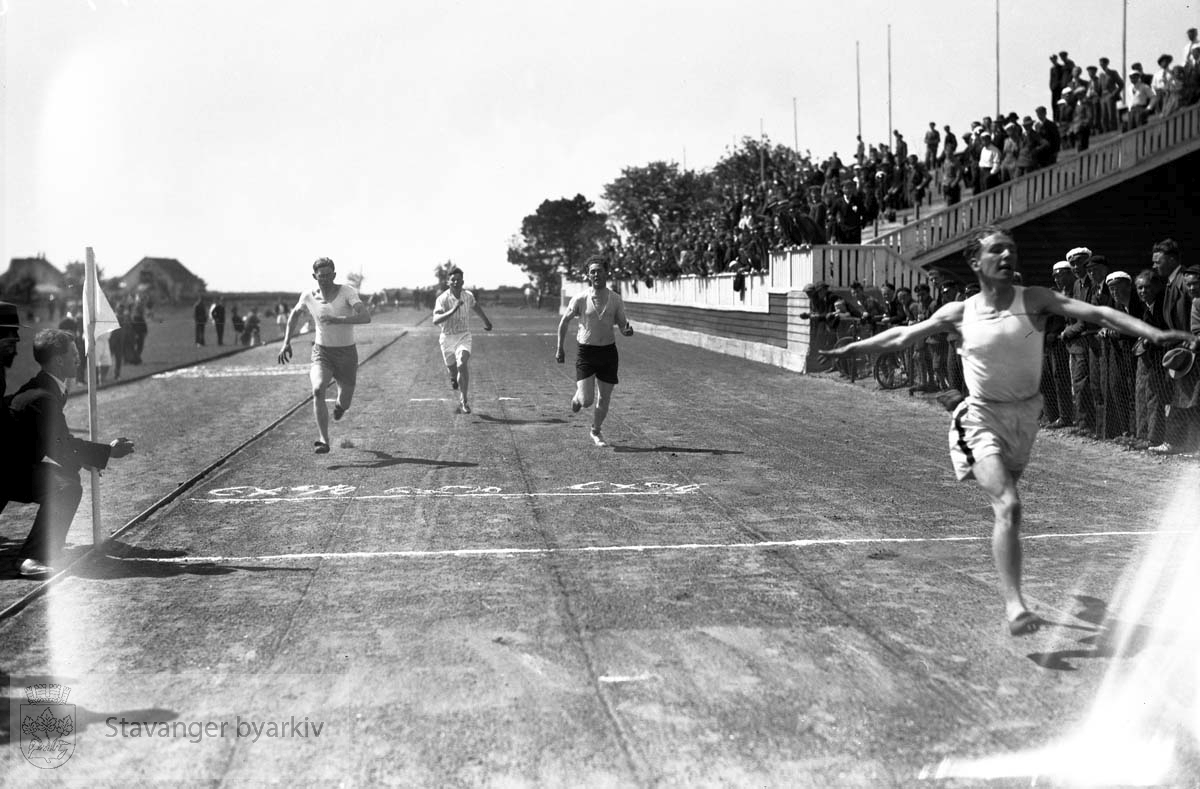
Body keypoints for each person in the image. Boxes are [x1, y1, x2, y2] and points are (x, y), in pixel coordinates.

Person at [819, 226, 1195, 636]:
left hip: (1025, 418)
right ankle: (1015, 606)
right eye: (996, 251)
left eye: (1010, 250)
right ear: (975, 263)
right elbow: (904, 335)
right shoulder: (960, 313)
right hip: (979, 418)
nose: (1005, 257)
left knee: (1007, 513)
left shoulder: (1034, 299)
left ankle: (1021, 599)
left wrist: (1154, 332)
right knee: (1009, 504)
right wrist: (855, 348)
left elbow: (1098, 314)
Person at [5, 329, 135, 578]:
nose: (79, 359)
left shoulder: (47, 387)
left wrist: (84, 460)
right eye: (74, 354)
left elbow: (53, 442)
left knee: (65, 477)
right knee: (67, 486)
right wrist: (108, 451)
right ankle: (33, 557)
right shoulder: (43, 395)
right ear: (58, 360)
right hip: (7, 469)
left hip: (12, 463)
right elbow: (62, 446)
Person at [277, 257, 371, 454]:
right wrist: (286, 342)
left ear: (334, 275)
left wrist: (337, 319)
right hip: (322, 352)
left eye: (329, 275)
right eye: (321, 277)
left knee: (345, 400)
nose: (326, 280)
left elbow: (365, 317)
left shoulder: (347, 292)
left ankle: (340, 406)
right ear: (315, 277)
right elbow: (294, 315)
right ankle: (323, 440)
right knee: (318, 390)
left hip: (346, 354)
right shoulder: (308, 296)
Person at [555, 257, 634, 447]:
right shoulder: (581, 298)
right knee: (587, 400)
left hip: (608, 352)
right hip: (586, 353)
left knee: (604, 398)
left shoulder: (615, 299)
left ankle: (596, 430)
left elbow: (623, 324)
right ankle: (578, 396)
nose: (596, 274)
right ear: (588, 275)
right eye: (592, 271)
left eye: (599, 270)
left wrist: (627, 331)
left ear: (606, 273)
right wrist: (560, 348)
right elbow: (564, 321)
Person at [431, 267, 493, 414]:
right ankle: (453, 377)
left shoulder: (468, 296)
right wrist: (453, 310)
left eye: (459, 279)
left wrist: (486, 322)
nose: (456, 282)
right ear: (448, 282)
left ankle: (464, 400)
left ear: (463, 281)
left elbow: (476, 307)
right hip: (447, 338)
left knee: (462, 363)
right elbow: (435, 320)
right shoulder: (442, 299)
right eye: (453, 279)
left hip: (464, 336)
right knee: (453, 370)